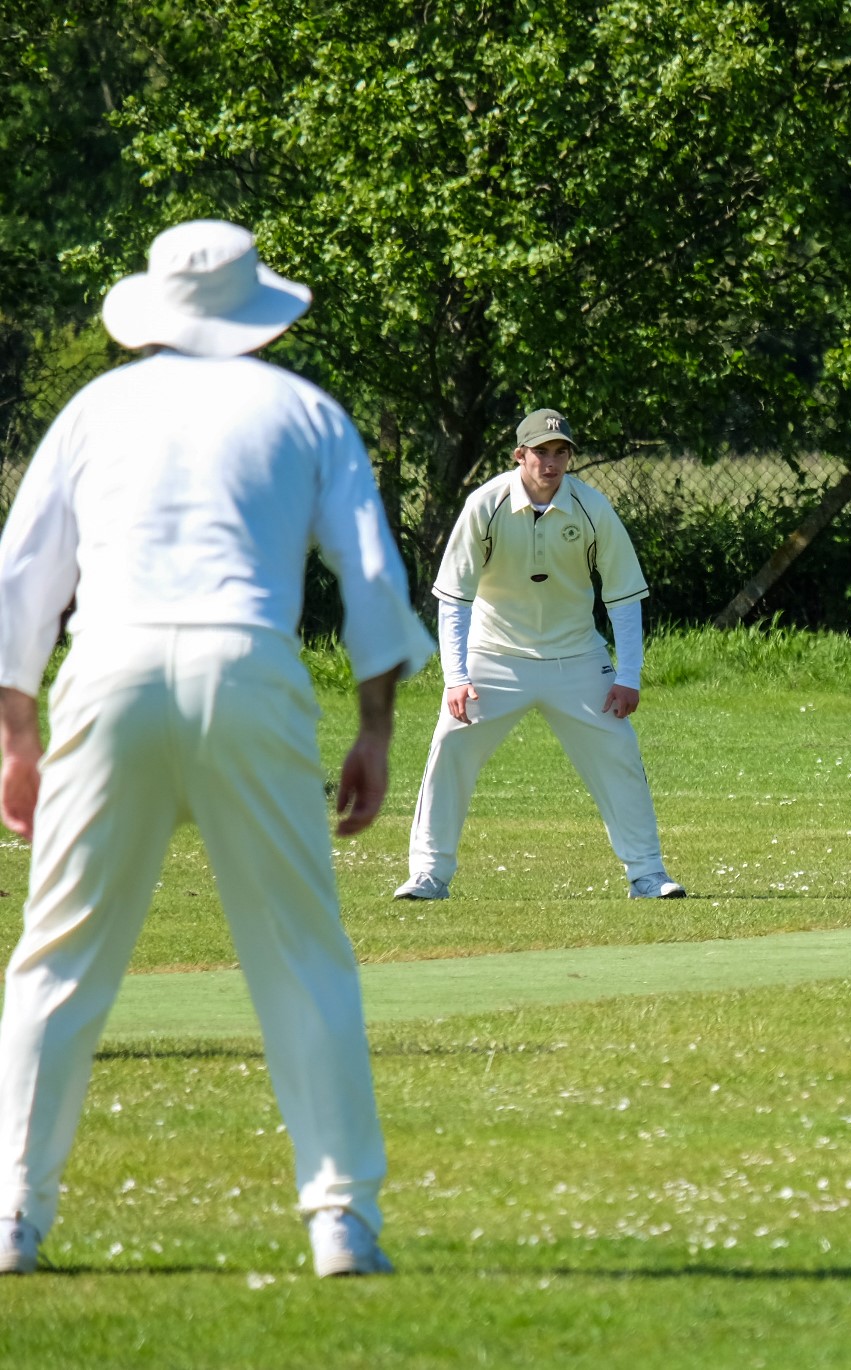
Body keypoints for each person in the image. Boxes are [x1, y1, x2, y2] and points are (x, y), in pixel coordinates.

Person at [0, 219, 432, 1276]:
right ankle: (341, 1218)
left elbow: (20, 576)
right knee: (301, 954)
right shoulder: (303, 410)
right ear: (256, 314)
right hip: (249, 665)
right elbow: (372, 577)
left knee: (58, 956)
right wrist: (375, 729)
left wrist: (17, 735)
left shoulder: (96, 409)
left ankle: (12, 1214)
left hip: (111, 666)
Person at [393, 409, 685, 902]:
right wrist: (455, 677)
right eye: (541, 452)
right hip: (494, 657)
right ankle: (428, 875)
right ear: (519, 455)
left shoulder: (592, 508)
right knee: (450, 746)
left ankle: (647, 875)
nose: (551, 463)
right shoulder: (485, 505)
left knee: (618, 752)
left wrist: (629, 676)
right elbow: (454, 598)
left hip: (577, 658)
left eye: (560, 452)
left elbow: (623, 596)